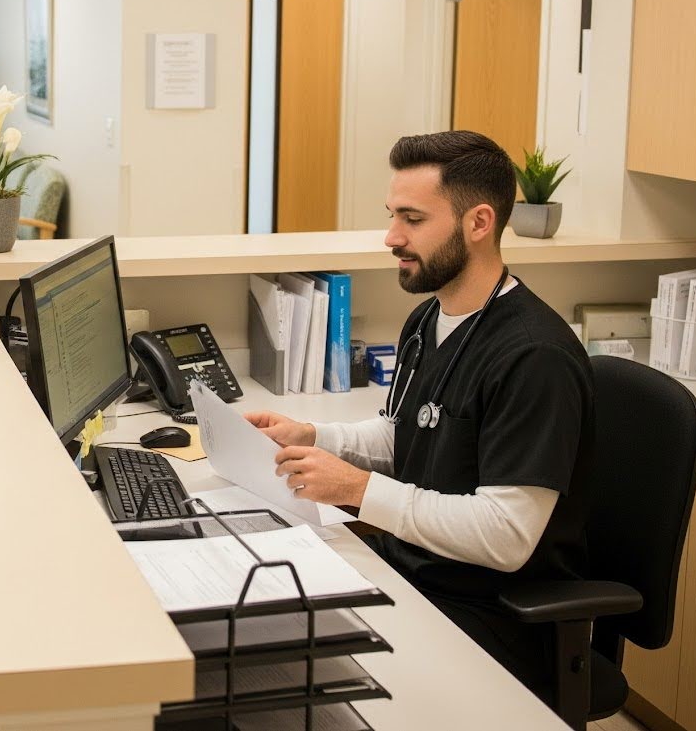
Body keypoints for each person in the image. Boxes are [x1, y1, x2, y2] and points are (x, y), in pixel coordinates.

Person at [245, 131, 594, 697]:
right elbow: (403, 432)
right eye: (392, 216)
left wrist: (358, 490)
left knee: (291, 678)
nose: (391, 237)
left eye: (412, 219)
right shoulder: (430, 318)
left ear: (478, 223)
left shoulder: (534, 359)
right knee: (256, 627)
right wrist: (312, 434)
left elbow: (506, 537)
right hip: (412, 568)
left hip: (490, 615)